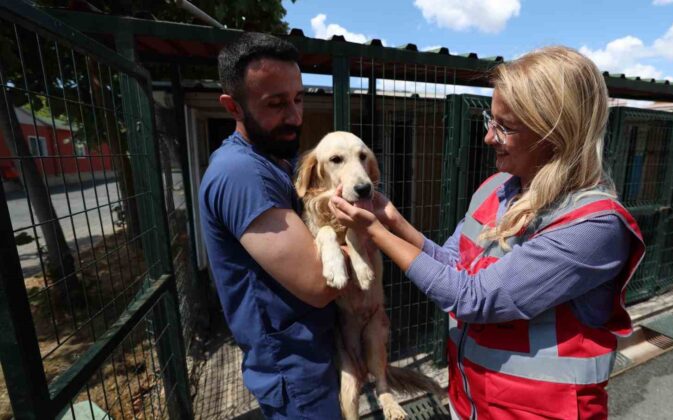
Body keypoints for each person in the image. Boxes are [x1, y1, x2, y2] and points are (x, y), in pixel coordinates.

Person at [330, 46, 646, 420]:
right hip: (472, 403)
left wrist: (377, 235)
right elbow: (453, 264)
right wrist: (393, 221)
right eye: (489, 120)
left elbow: (473, 298)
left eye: (505, 127)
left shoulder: (592, 227)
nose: (488, 137)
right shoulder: (497, 189)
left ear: (556, 133)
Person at [198, 32, 343, 419]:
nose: (295, 116)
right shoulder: (242, 173)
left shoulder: (276, 157)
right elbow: (320, 282)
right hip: (295, 369)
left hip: (315, 353)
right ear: (233, 107)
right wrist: (369, 236)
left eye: (298, 98)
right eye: (277, 104)